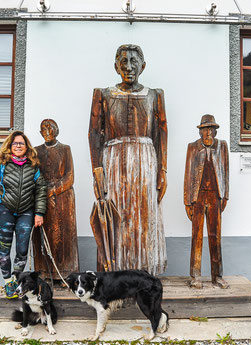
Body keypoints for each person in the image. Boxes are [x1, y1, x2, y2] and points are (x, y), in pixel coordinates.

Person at [88, 44, 168, 276]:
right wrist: (97, 170)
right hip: (113, 161)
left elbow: (161, 134)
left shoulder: (154, 95)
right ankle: (116, 271)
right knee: (116, 214)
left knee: (143, 214)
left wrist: (162, 170)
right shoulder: (103, 94)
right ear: (116, 66)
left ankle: (143, 271)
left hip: (145, 162)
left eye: (134, 61)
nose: (129, 67)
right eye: (123, 61)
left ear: (143, 66)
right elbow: (94, 133)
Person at [0, 131, 47, 298]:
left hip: (26, 212)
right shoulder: (0, 163)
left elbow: (41, 190)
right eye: (15, 143)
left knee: (22, 249)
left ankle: (15, 278)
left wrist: (39, 212)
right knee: (4, 249)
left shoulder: (33, 166)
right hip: (3, 210)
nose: (18, 146)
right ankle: (7, 283)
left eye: (21, 143)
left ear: (27, 147)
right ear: (9, 146)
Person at [184, 114, 229, 289]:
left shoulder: (222, 146)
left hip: (215, 196)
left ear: (215, 131)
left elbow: (225, 171)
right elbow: (188, 174)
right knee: (197, 237)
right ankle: (195, 276)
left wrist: (225, 195)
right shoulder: (192, 147)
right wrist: (187, 200)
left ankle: (217, 276)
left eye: (211, 129)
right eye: (205, 129)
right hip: (198, 197)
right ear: (200, 131)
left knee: (215, 236)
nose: (208, 133)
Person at [33, 119, 80, 279]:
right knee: (44, 235)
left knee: (63, 233)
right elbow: (34, 174)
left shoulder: (65, 149)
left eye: (50, 128)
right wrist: (43, 192)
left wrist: (53, 190)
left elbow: (70, 176)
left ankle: (67, 272)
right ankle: (44, 272)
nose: (46, 132)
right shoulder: (36, 151)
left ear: (56, 130)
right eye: (43, 129)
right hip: (42, 197)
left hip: (63, 198)